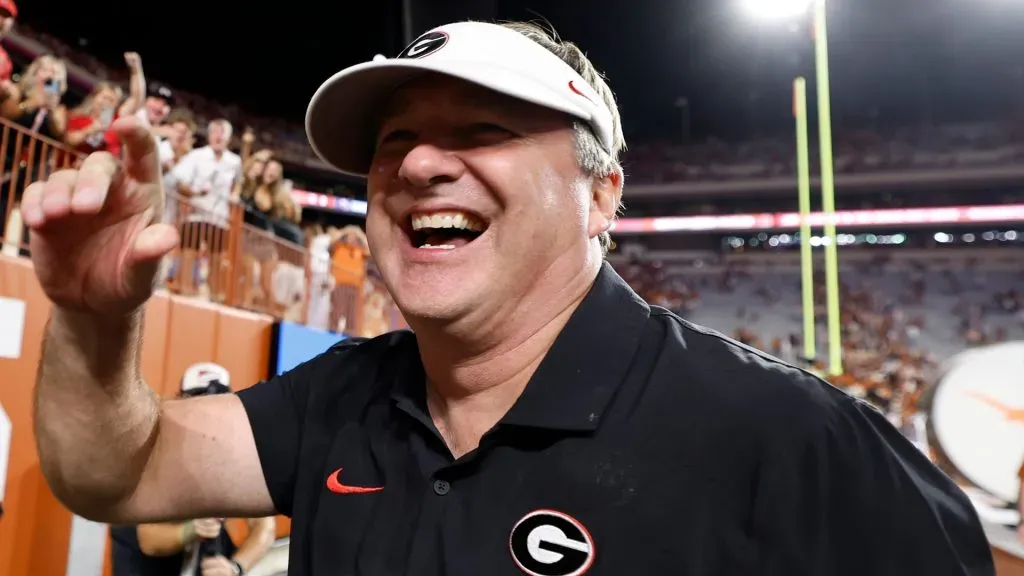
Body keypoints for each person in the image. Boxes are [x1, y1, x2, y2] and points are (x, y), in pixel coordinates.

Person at [24, 20, 994, 576]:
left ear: (601, 195)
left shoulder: (784, 437)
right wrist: (95, 321)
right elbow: (117, 474)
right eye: (392, 143)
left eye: (482, 129)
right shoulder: (345, 397)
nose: (418, 165)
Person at [109, 364, 276, 576]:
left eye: (216, 405)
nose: (207, 416)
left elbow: (264, 529)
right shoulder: (156, 450)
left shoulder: (233, 456)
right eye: (199, 403)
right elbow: (148, 540)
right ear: (181, 403)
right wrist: (192, 529)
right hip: (146, 557)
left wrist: (235, 567)